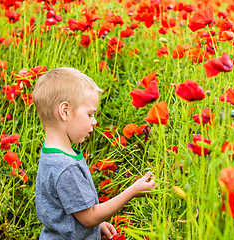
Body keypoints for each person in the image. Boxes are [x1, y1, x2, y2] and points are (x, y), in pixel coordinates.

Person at [33, 67, 156, 240]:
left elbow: (71, 214)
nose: (94, 121)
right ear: (65, 112)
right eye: (90, 114)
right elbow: (89, 216)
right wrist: (133, 191)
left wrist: (95, 228)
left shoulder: (51, 154)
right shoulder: (65, 167)